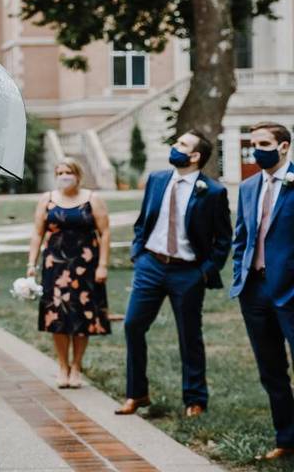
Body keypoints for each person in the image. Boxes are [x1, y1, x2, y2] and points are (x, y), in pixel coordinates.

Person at [116, 130, 231, 417]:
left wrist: (204, 272)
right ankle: (136, 393)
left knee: (189, 335)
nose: (174, 147)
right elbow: (144, 220)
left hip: (187, 272)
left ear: (194, 156)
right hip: (150, 266)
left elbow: (223, 240)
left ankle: (195, 399)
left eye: (181, 144)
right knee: (132, 325)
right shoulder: (157, 180)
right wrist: (138, 252)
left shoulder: (213, 191)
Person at [230, 122, 294, 461]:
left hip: (291, 291)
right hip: (255, 291)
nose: (257, 149)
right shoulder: (248, 186)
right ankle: (286, 438)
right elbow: (241, 235)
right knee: (271, 369)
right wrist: (239, 276)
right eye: (253, 143)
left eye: (265, 143)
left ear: (283, 146)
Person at [27, 158, 111, 389]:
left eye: (69, 172)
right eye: (60, 172)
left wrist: (103, 264)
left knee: (83, 315)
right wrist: (31, 263)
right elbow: (37, 233)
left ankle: (77, 366)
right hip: (55, 265)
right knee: (58, 315)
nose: (65, 176)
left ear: (78, 175)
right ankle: (63, 365)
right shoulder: (47, 200)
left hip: (86, 265)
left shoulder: (92, 199)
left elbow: (104, 233)